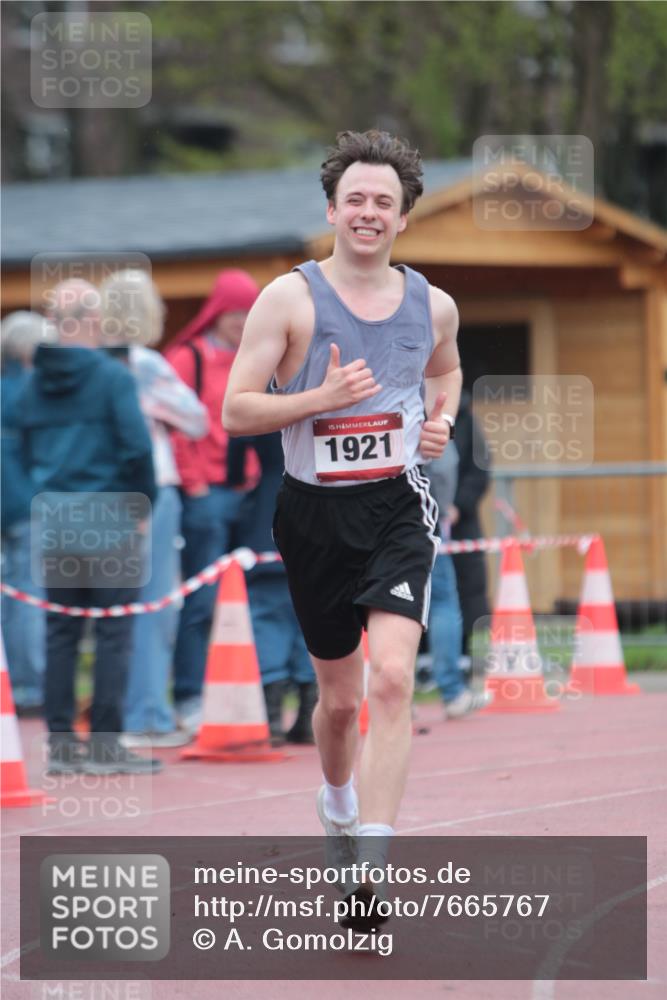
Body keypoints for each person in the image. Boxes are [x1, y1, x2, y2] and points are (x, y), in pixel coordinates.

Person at [223, 130, 462, 920]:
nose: (367, 212)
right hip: (313, 512)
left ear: (402, 220)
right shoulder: (287, 299)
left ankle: (371, 870)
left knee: (393, 678)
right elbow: (236, 411)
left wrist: (443, 418)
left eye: (382, 202)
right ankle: (336, 803)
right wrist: (317, 401)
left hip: (396, 501)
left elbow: (446, 370)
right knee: (340, 700)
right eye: (354, 199)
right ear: (331, 209)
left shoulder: (433, 304)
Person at [16, 279, 160, 775]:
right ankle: (103, 743)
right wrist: (143, 508)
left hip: (56, 514)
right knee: (114, 631)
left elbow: (20, 442)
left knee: (62, 632)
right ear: (93, 320)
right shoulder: (112, 377)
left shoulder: (35, 378)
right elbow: (138, 449)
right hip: (111, 513)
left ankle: (60, 745)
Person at [99, 269, 208, 747]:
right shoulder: (145, 364)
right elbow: (198, 420)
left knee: (111, 607)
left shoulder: (88, 362)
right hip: (149, 493)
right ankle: (148, 715)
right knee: (154, 604)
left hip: (96, 494)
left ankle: (115, 715)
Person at [166, 270, 260, 735]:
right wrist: (195, 484)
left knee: (249, 595)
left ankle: (241, 692)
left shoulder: (253, 358)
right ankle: (187, 696)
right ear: (218, 313)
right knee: (201, 600)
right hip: (206, 497)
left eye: (250, 313)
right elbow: (173, 425)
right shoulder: (188, 358)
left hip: (248, 492)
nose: (244, 322)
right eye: (237, 313)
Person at [230, 431, 318, 746]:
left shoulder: (261, 393)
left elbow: (236, 443)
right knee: (310, 620)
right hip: (319, 509)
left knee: (268, 615)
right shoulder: (327, 389)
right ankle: (309, 716)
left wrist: (236, 478)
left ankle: (272, 718)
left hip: (267, 509)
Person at [1, 312, 53, 714]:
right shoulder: (34, 388)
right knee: (28, 594)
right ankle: (29, 688)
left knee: (9, 595)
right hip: (26, 503)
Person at [427, 442, 493, 717]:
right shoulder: (424, 406)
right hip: (422, 521)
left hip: (361, 518)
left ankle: (394, 696)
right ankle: (452, 692)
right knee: (442, 602)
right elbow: (442, 465)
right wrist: (442, 509)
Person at [449, 389, 492, 669]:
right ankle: (423, 659)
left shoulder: (466, 420)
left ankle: (463, 658)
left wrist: (458, 507)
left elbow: (479, 470)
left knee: (465, 590)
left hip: (461, 525)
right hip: (417, 521)